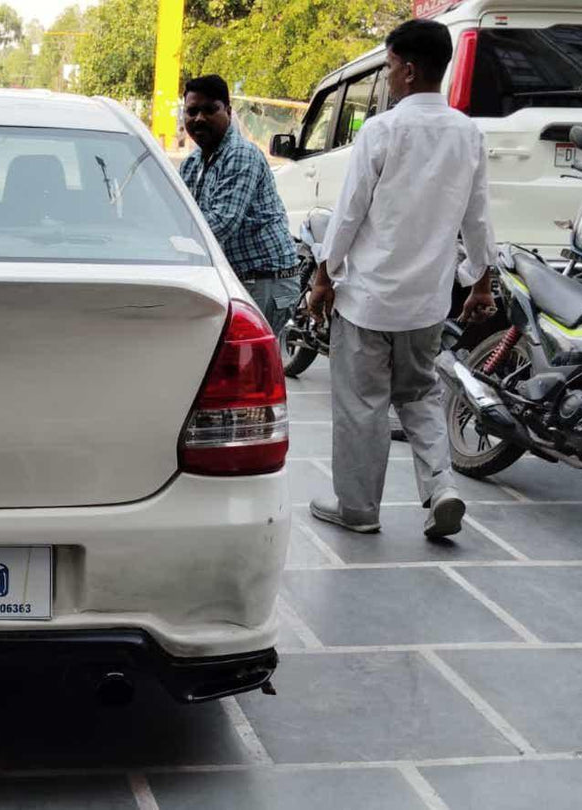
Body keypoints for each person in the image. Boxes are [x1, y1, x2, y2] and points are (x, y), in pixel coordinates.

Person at [306, 18, 497, 539]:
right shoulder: (467, 134)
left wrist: (324, 276)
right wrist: (481, 280)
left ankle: (359, 509)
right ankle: (440, 488)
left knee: (362, 405)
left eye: (389, 67)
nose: (388, 76)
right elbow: (478, 217)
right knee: (420, 396)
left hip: (368, 300)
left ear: (408, 70)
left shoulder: (383, 130)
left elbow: (348, 214)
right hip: (426, 304)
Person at [178, 75, 300, 336]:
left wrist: (167, 238)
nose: (199, 118)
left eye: (210, 110)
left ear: (229, 112)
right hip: (237, 279)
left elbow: (221, 224)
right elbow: (177, 213)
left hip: (267, 281)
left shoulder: (240, 154)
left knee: (249, 369)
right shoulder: (192, 162)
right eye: (192, 111)